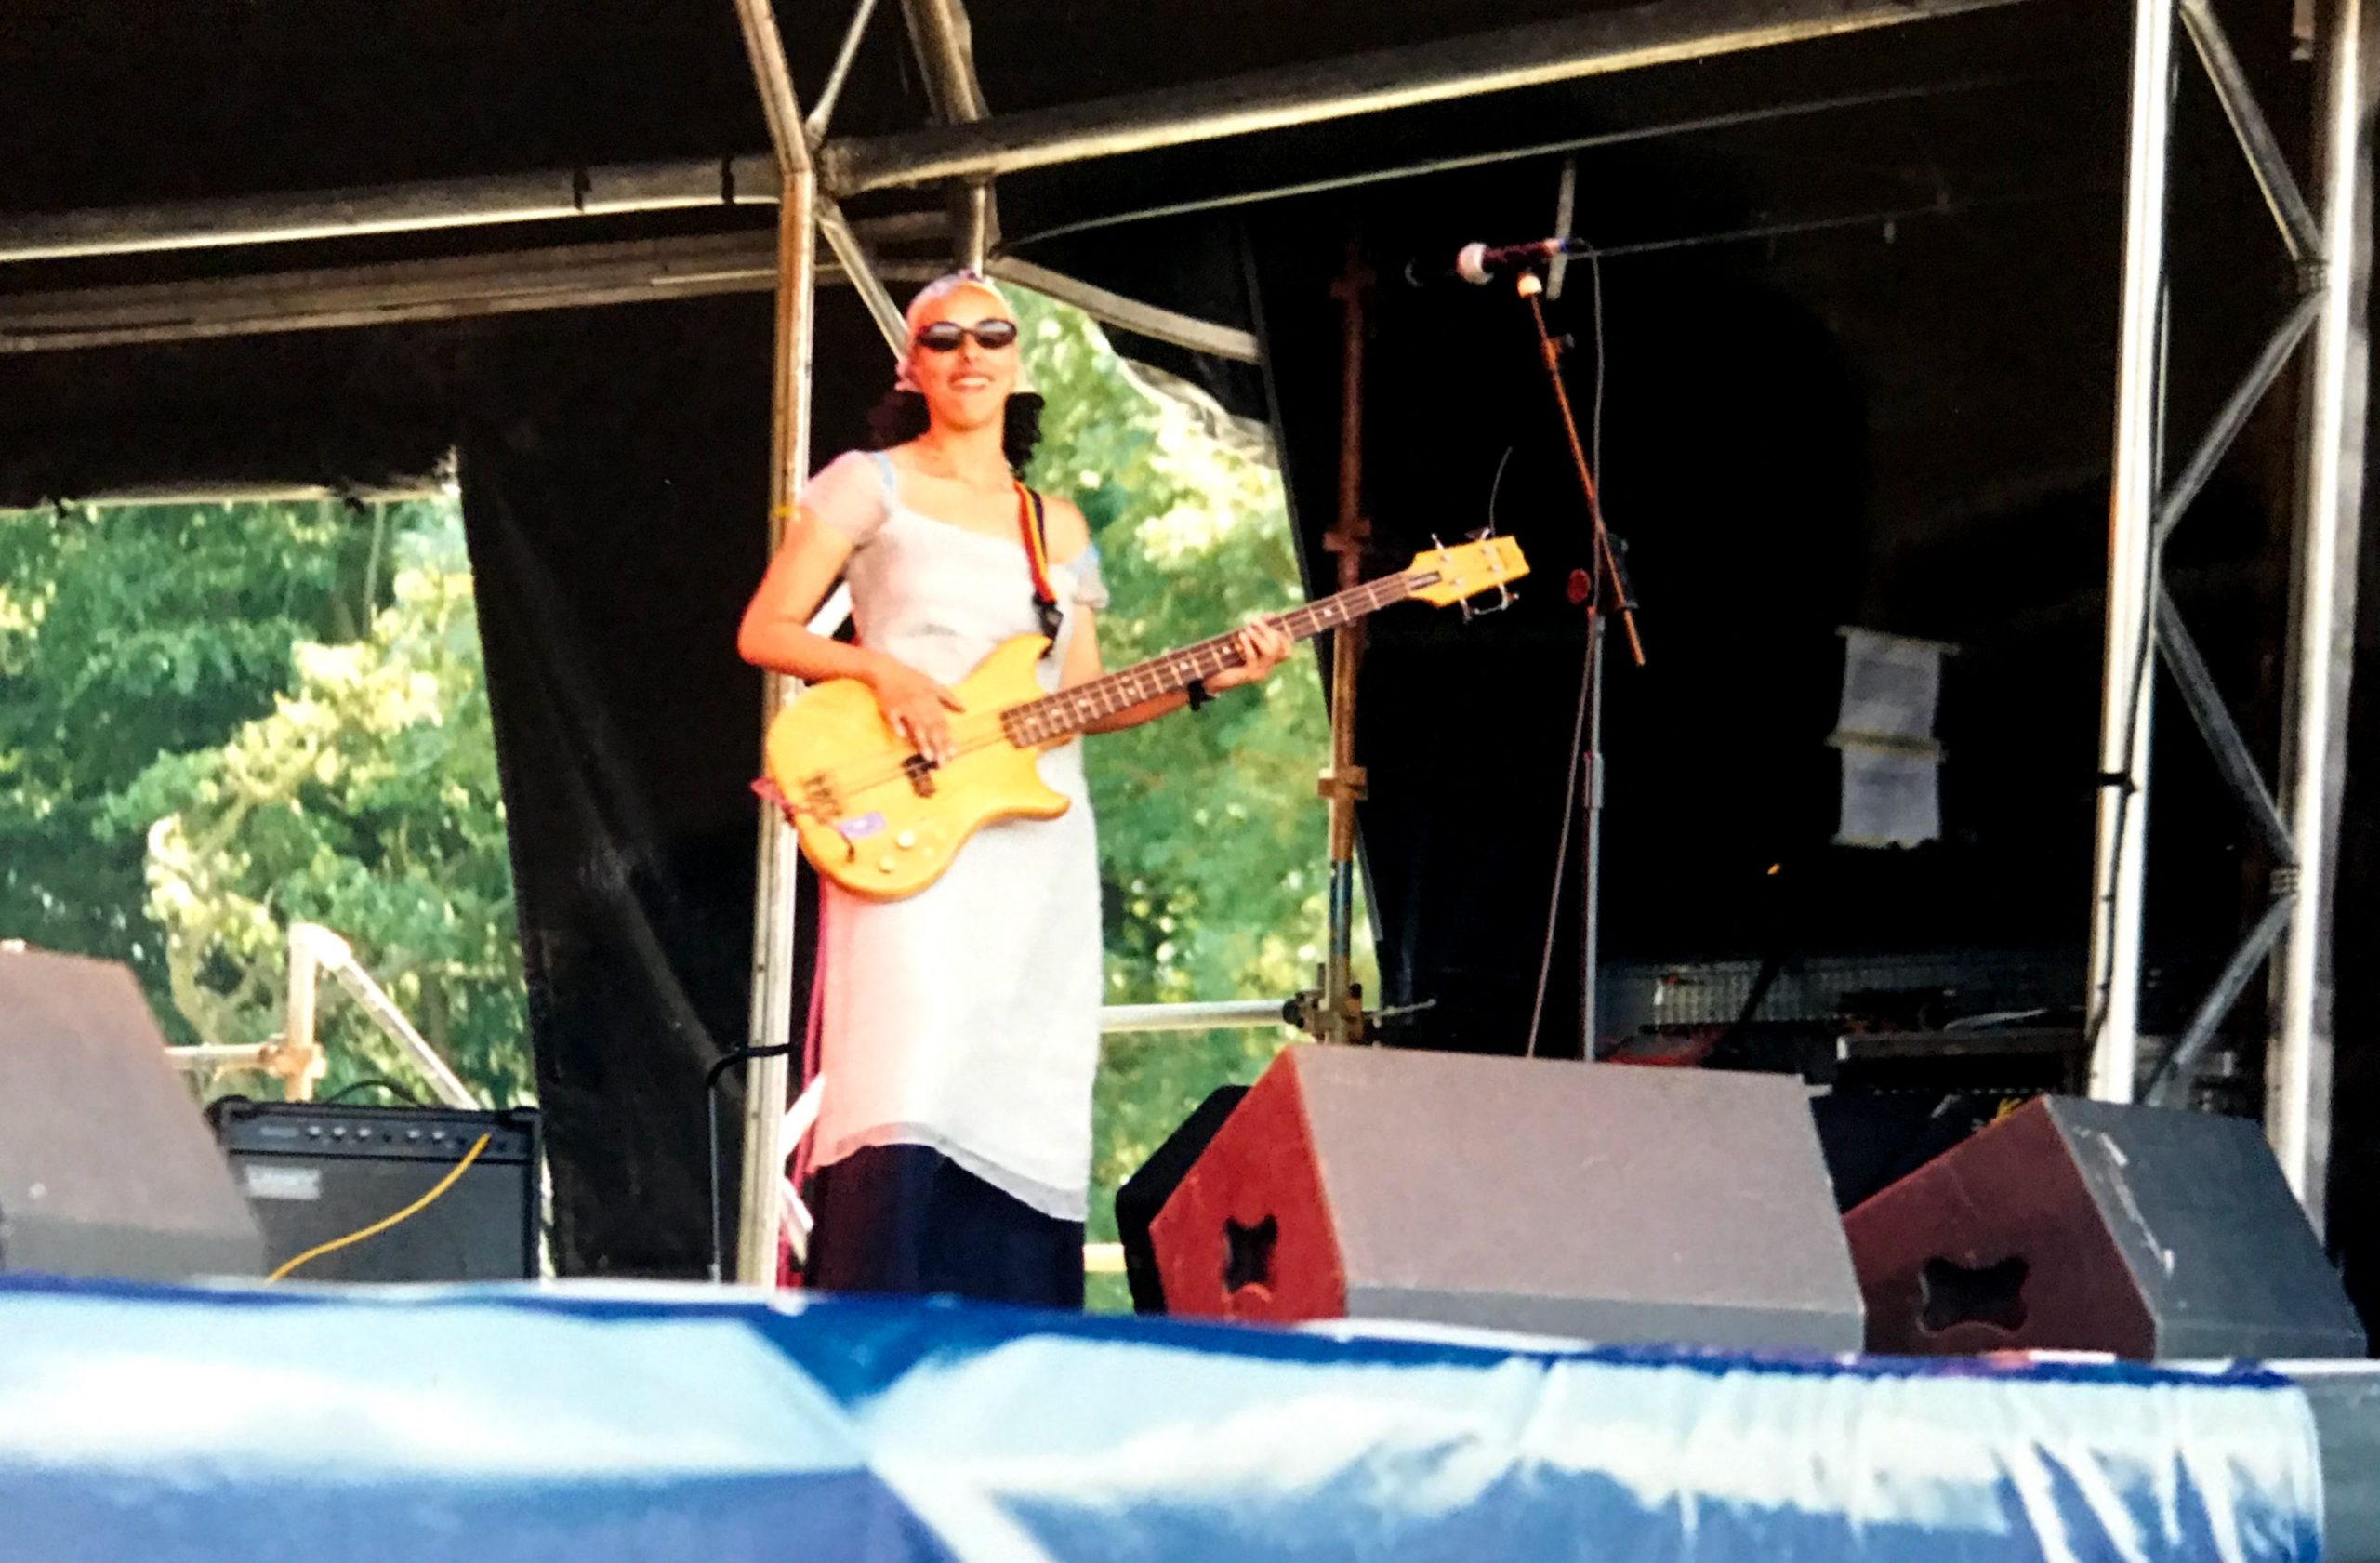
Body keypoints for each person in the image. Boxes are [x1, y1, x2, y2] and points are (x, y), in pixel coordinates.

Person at [736, 272, 1292, 1307]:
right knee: (909, 1069)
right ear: (911, 366)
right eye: (944, 337)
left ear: (1018, 360)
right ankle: (881, 1317)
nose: (970, 353)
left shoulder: (1056, 528)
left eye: (992, 334)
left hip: (1036, 841)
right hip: (909, 818)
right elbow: (765, 629)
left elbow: (1078, 700)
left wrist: (1207, 677)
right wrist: (884, 672)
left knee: (1022, 1082)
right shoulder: (867, 483)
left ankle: (1013, 1329)